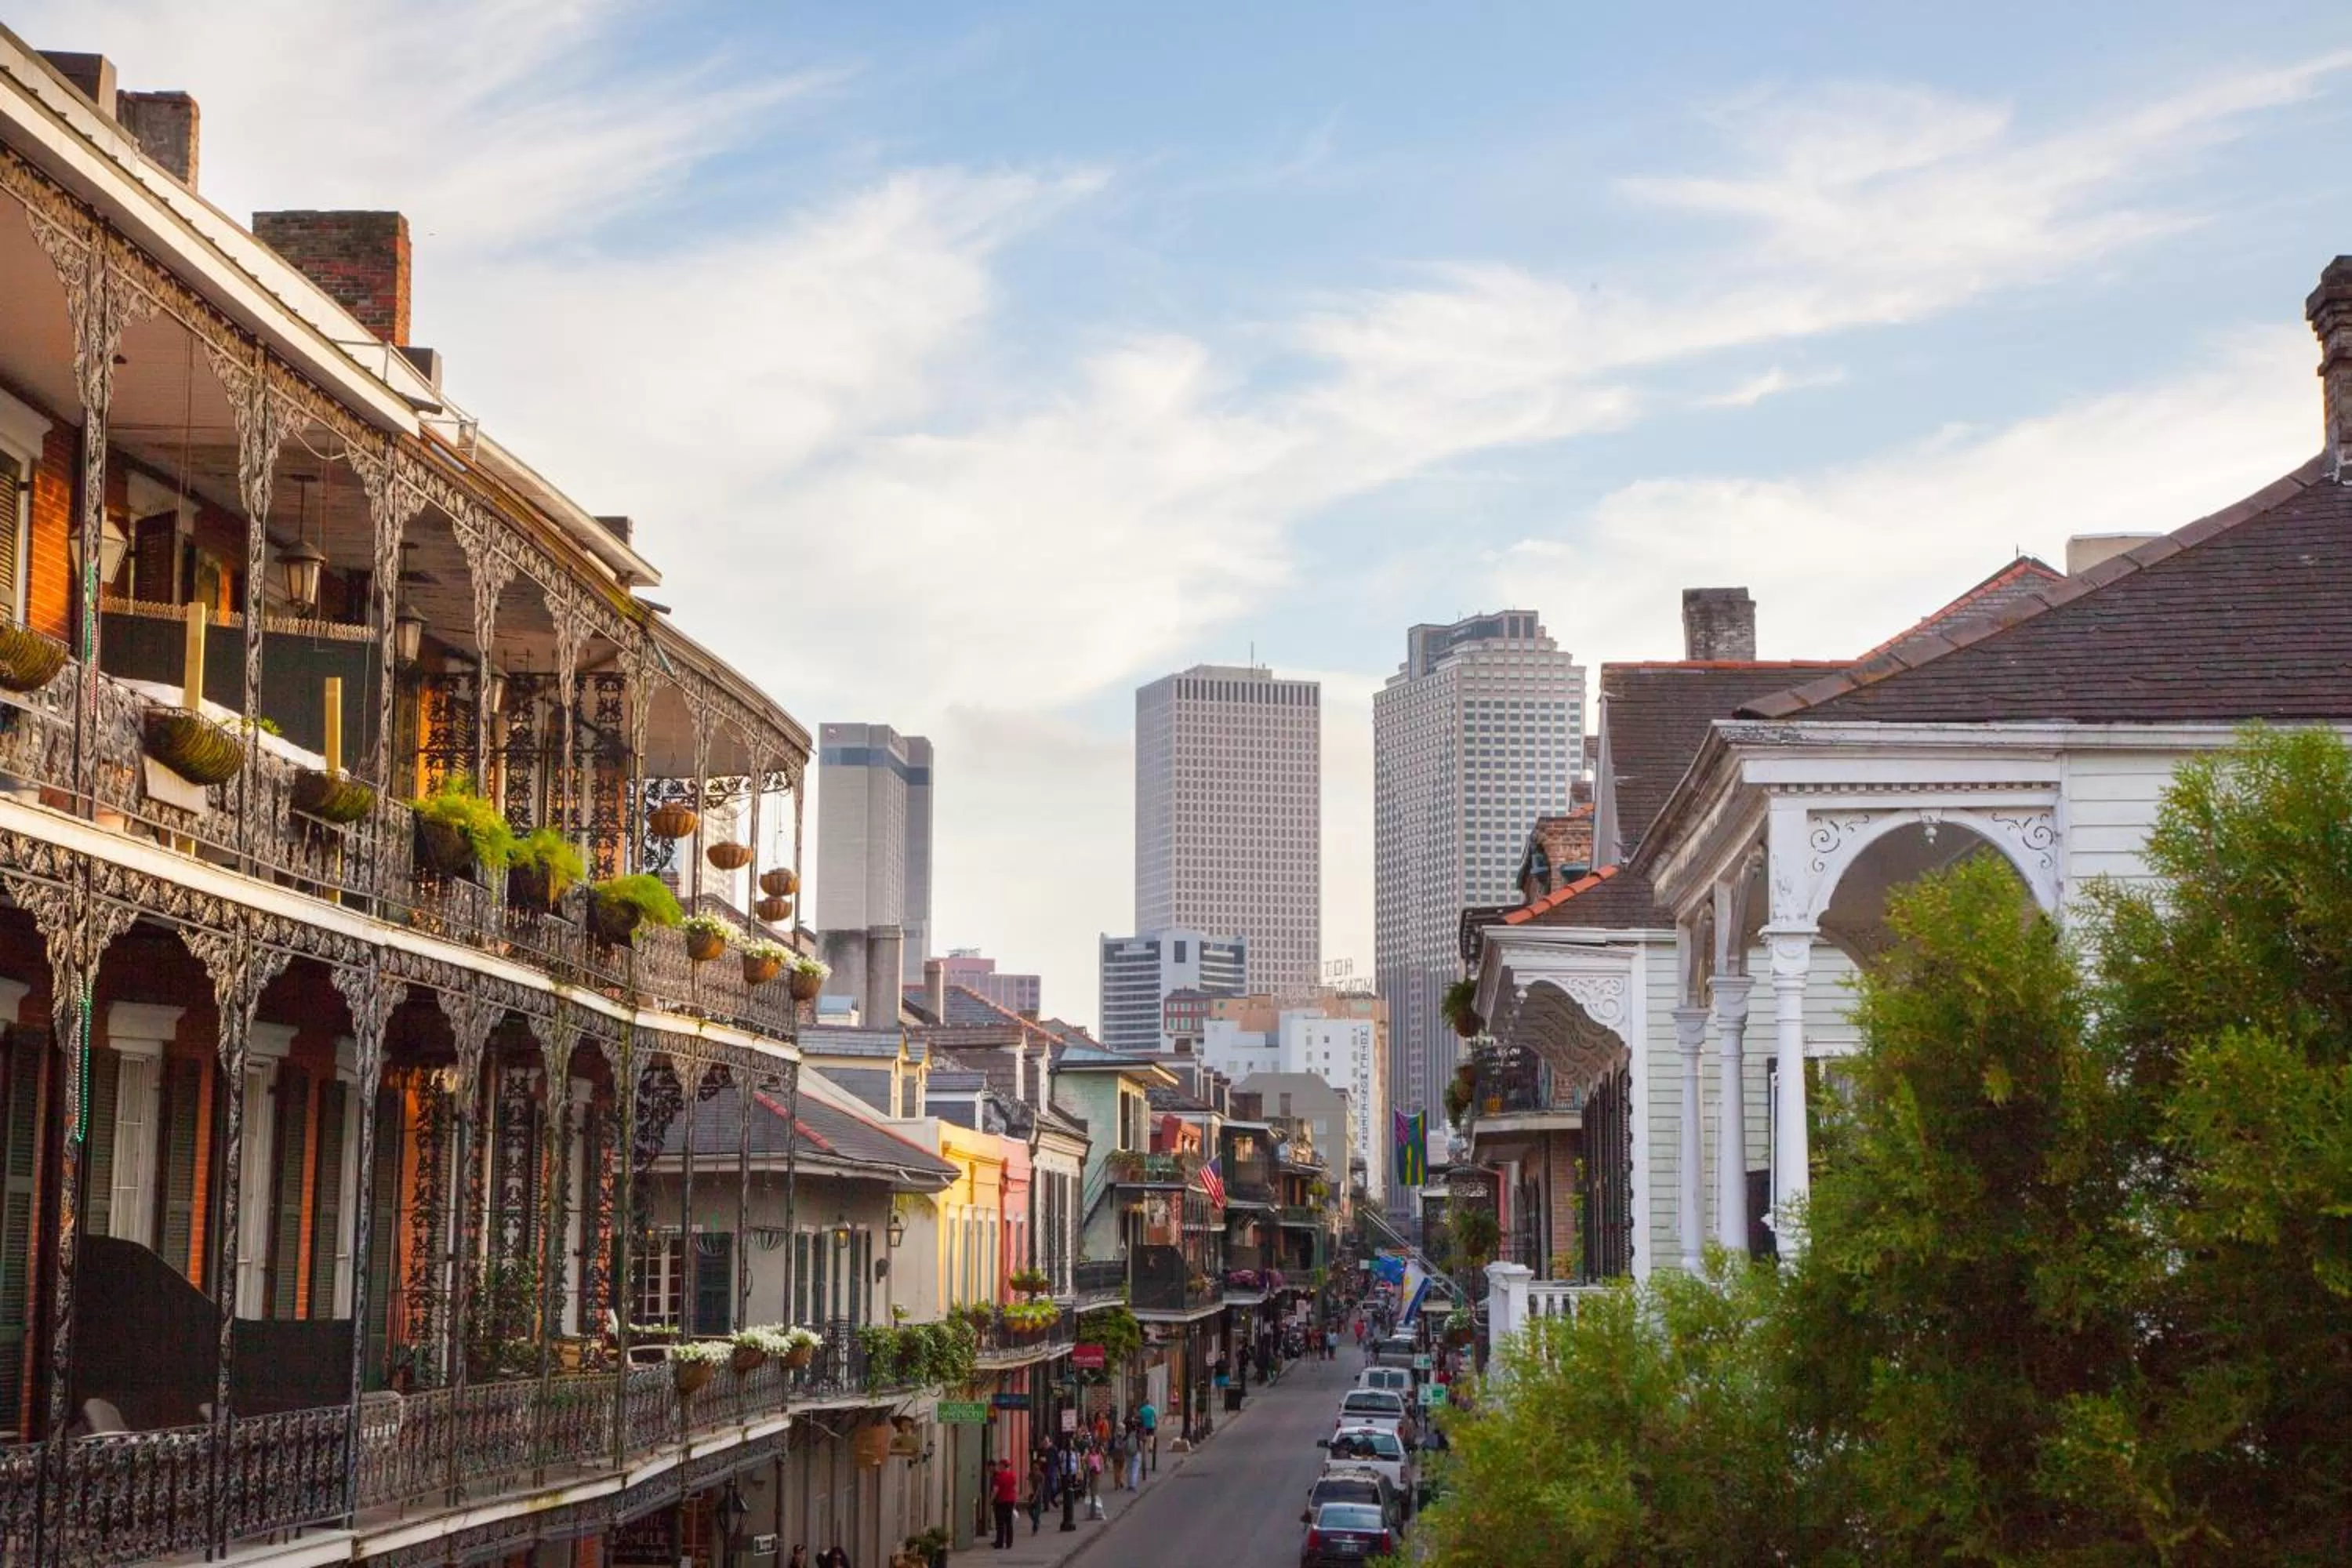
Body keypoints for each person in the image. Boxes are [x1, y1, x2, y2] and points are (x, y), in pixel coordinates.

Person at [990, 1457, 1020, 1548]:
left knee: (1000, 1523)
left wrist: (991, 1500)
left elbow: (996, 1490)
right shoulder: (1012, 1475)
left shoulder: (999, 1477)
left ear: (1002, 1466)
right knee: (1009, 1522)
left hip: (1001, 1501)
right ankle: (1009, 1542)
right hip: (1010, 1501)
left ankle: (999, 1543)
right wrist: (1015, 1499)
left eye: (999, 1465)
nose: (998, 1467)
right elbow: (1015, 1488)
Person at [1123, 1414, 1144, 1490]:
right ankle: (1133, 1485)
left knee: (1129, 1468)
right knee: (1135, 1469)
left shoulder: (1127, 1434)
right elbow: (1141, 1442)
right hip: (1136, 1452)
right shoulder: (1138, 1433)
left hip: (1128, 1452)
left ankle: (1129, 1485)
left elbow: (1123, 1443)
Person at [1138, 1399, 1158, 1472]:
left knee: (1144, 1437)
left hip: (1144, 1426)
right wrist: (1156, 1425)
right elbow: (1155, 1417)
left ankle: (1143, 1445)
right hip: (1151, 1425)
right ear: (1149, 1403)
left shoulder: (1142, 1410)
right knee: (1152, 1436)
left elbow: (1139, 1418)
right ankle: (1150, 1446)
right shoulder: (1152, 1409)